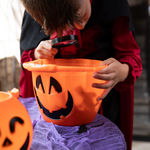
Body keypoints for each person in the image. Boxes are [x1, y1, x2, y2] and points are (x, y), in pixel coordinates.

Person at [19, 0, 142, 150]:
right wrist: (36, 54)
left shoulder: (114, 3)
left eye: (79, 16)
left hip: (103, 102)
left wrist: (122, 71)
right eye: (63, 25)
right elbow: (27, 58)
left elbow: (131, 56)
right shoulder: (40, 6)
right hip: (54, 105)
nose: (80, 27)